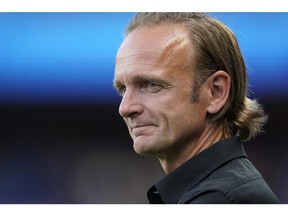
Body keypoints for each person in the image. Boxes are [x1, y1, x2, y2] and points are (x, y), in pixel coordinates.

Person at [113, 12, 280, 204]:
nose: (125, 108)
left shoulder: (224, 200)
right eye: (122, 89)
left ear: (215, 92)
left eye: (151, 84)